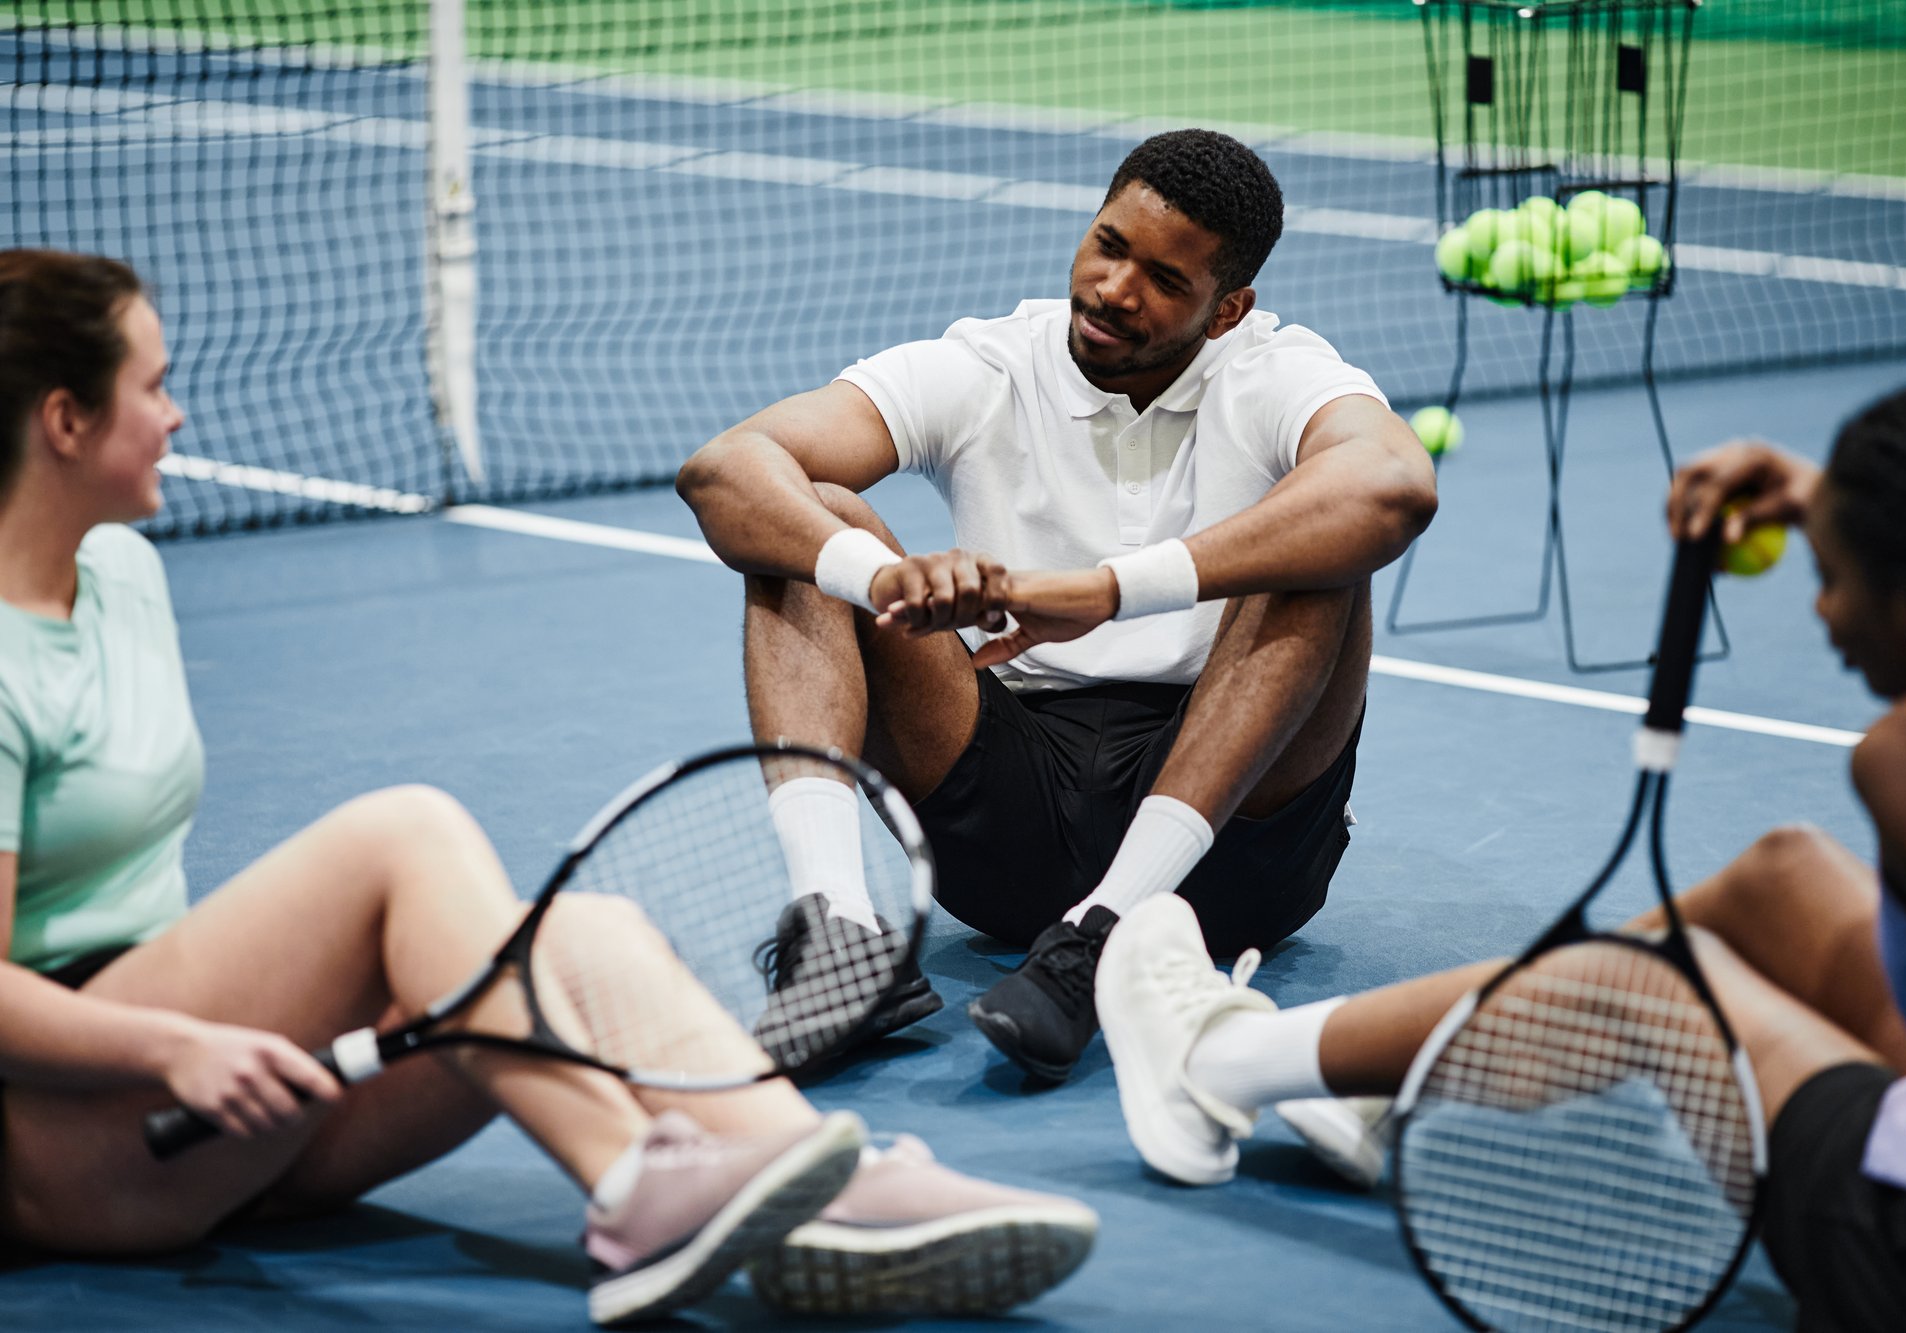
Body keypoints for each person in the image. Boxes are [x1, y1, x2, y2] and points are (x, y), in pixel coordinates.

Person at [0, 249, 1096, 1324]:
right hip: (76, 1145)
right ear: (63, 421)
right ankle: (633, 1184)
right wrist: (178, 1047)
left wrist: (214, 1037)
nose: (179, 414)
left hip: (211, 1121)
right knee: (404, 834)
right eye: (152, 385)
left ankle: (821, 1177)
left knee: (591, 936)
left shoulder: (122, 576)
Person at [1093, 377, 1906, 1330]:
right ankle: (1392, 1078)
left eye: (1834, 579)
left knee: (1638, 980)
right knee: (1789, 874)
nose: (1820, 612)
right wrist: (1837, 503)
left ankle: (1217, 1062)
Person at [677, 128, 1437, 1084]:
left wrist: (1108, 591)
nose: (1116, 288)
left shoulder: (1276, 373)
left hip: (1230, 837)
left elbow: (1395, 488)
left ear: (1229, 309)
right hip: (1008, 805)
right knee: (806, 528)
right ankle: (840, 931)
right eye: (1110, 244)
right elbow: (724, 470)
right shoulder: (988, 365)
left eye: (1165, 278)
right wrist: (878, 579)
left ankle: (1104, 931)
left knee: (1325, 546)